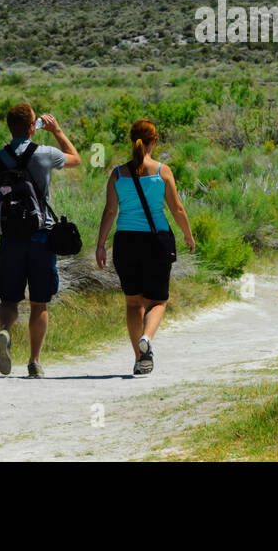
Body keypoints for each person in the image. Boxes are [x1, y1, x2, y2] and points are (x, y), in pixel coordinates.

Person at [0, 102, 80, 377]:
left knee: (9, 300)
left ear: (9, 127)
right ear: (31, 127)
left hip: (10, 239)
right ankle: (35, 361)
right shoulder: (45, 154)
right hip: (41, 237)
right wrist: (58, 131)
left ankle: (4, 331)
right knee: (40, 302)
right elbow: (76, 158)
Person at [94, 119, 195, 375]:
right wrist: (188, 235)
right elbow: (177, 208)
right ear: (154, 141)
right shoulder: (162, 171)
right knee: (158, 301)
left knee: (132, 304)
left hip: (126, 241)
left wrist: (101, 244)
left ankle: (140, 359)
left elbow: (109, 211)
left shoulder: (117, 174)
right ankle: (147, 339)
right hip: (156, 241)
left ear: (131, 141)